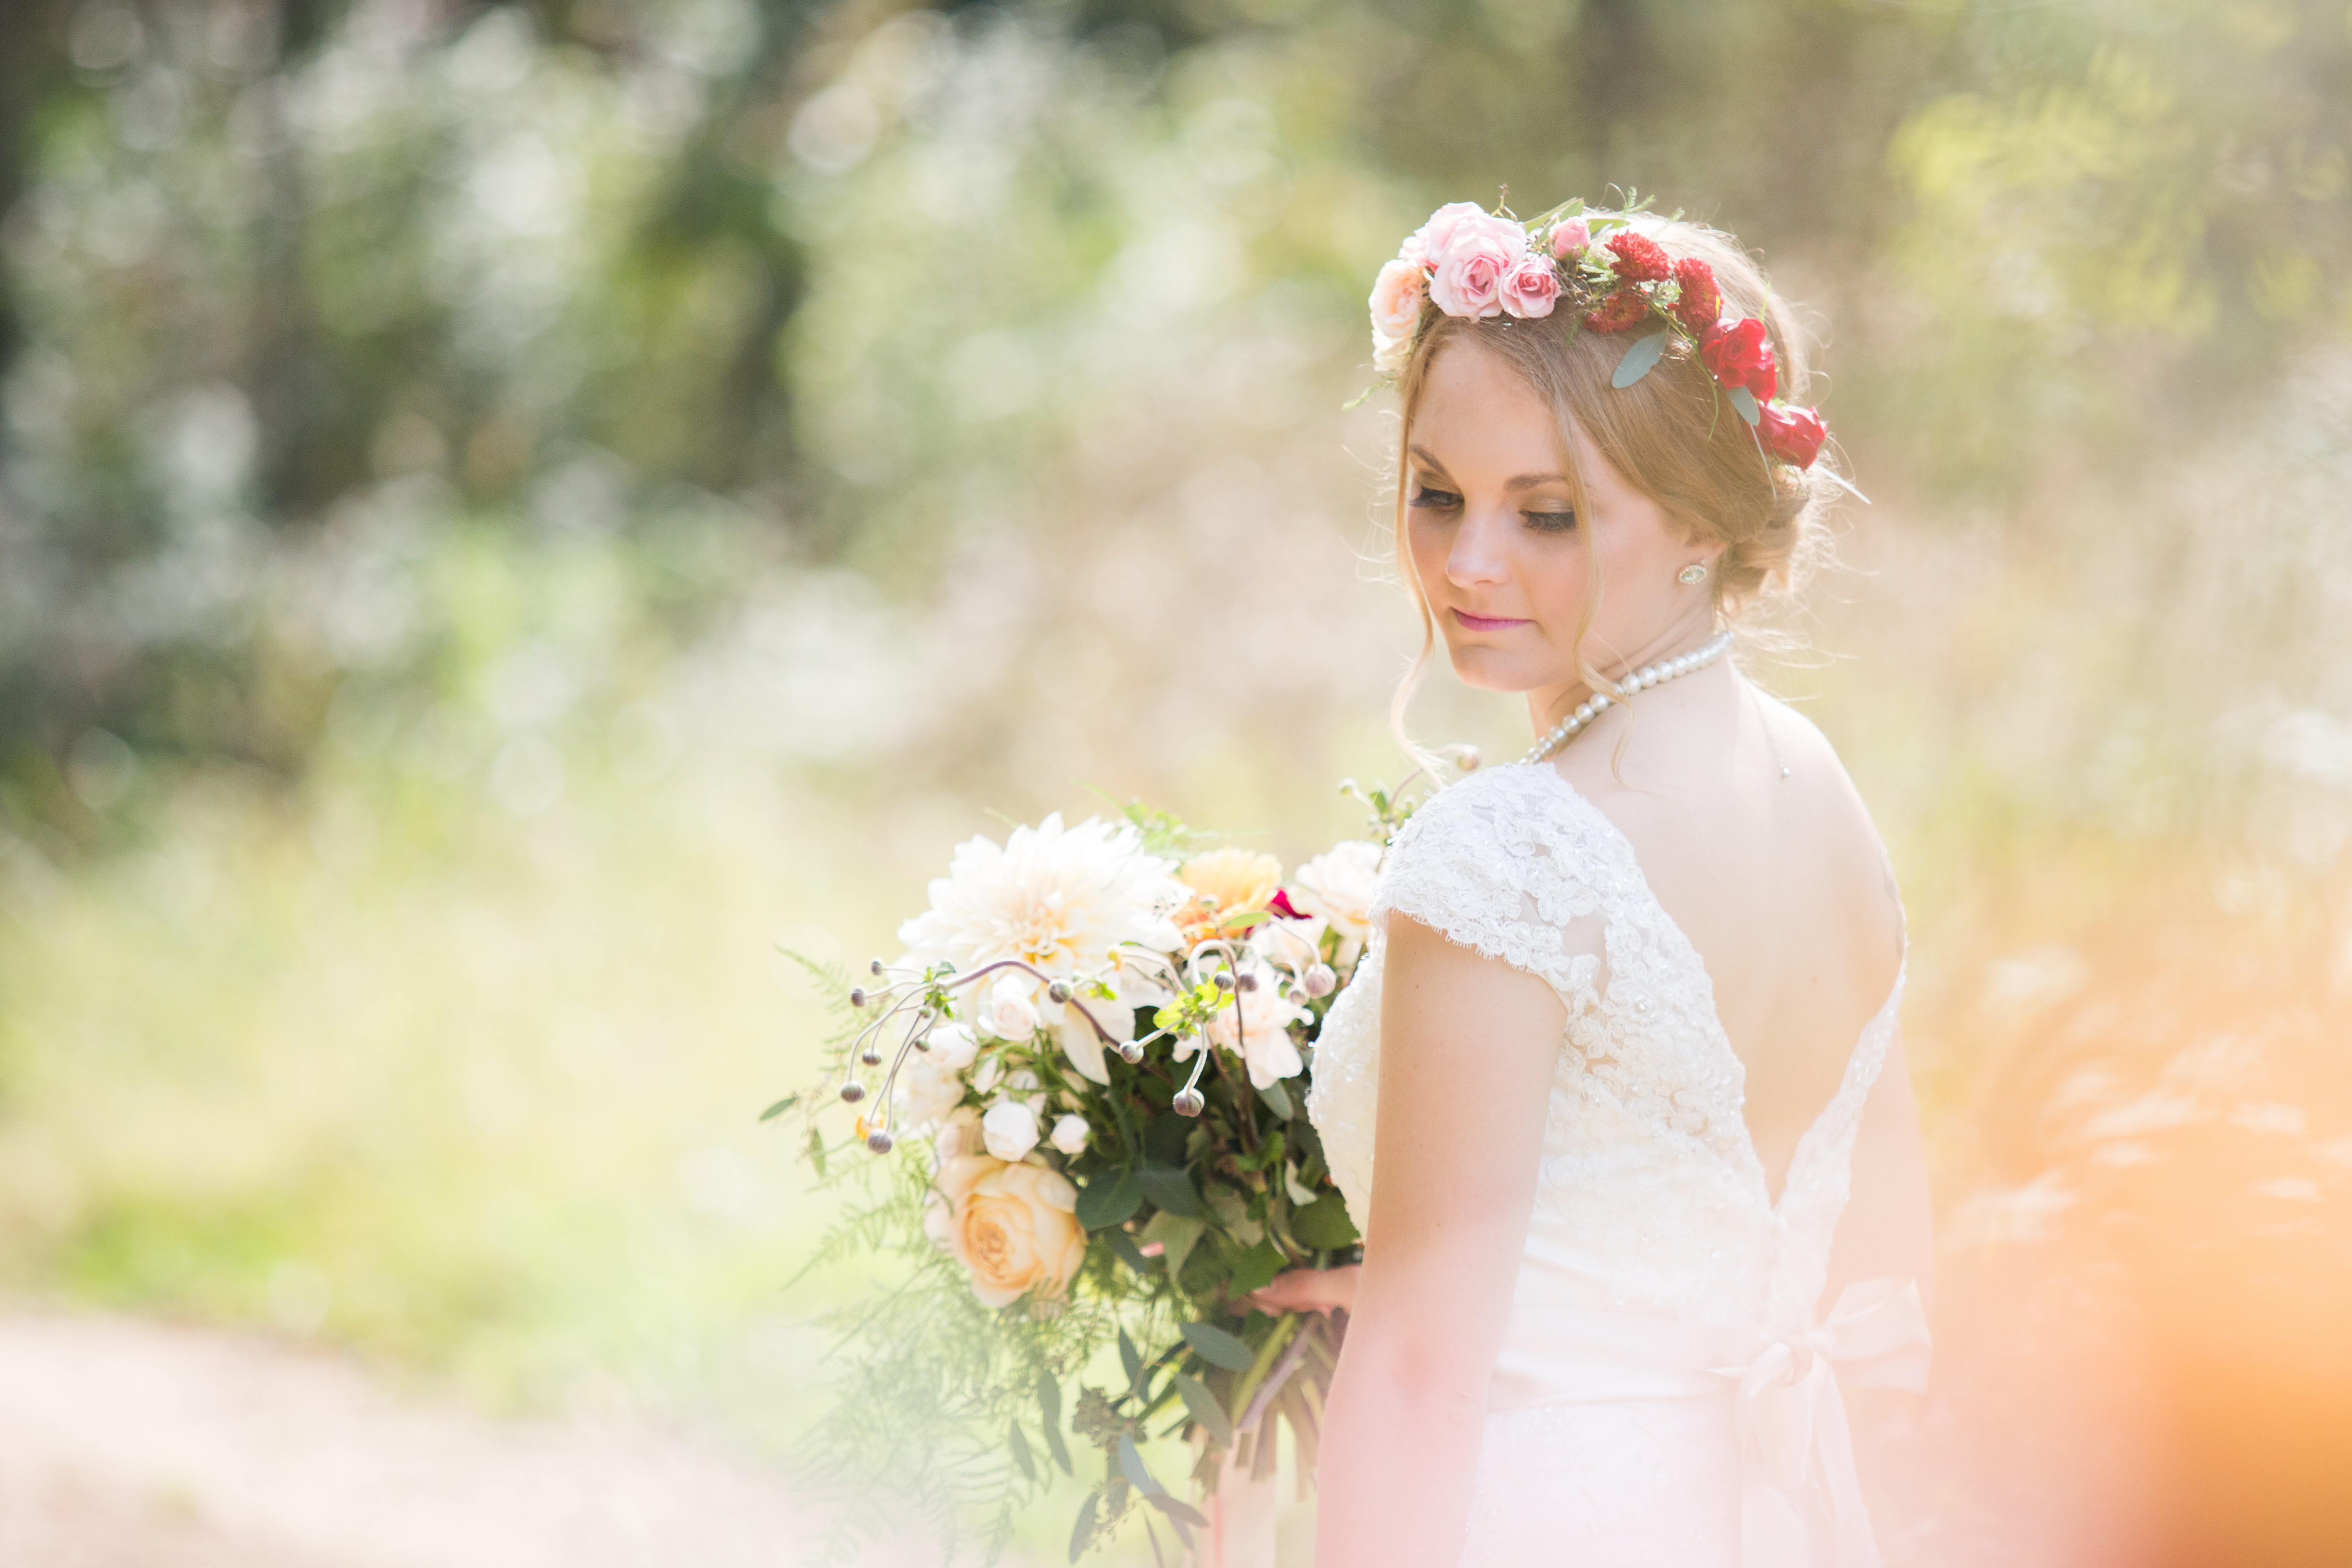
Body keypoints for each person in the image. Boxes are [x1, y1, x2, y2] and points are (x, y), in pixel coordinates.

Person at [1257, 202, 1935, 1566]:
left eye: (1547, 513)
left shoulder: (1509, 850)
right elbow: (1889, 1264)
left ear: (1699, 520)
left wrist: (1433, 1333)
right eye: (1437, 491)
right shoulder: (1814, 785)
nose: (1467, 563)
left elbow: (1418, 1383)